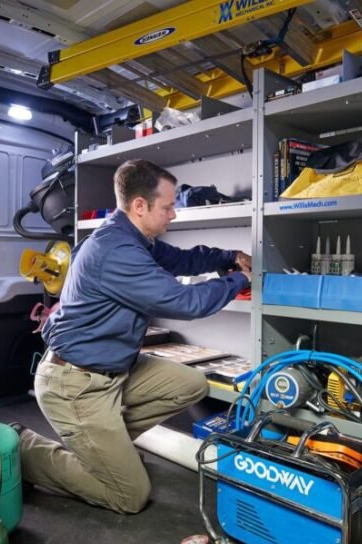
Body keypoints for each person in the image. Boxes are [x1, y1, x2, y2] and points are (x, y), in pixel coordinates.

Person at [17, 159, 252, 514]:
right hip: (76, 383)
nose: (173, 214)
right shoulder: (116, 251)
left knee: (190, 384)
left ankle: (109, 450)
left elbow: (182, 260)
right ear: (139, 206)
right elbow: (185, 301)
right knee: (129, 495)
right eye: (168, 207)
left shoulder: (133, 236)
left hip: (114, 370)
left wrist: (227, 257)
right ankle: (26, 452)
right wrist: (240, 280)